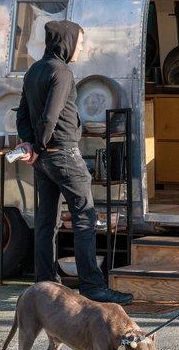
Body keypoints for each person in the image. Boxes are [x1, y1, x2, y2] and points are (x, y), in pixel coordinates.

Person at [15, 20, 132, 305]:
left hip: (44, 159)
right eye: (79, 41)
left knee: (46, 221)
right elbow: (51, 116)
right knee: (84, 219)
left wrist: (31, 146)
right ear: (66, 42)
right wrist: (39, 146)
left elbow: (21, 114)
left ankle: (45, 283)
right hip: (64, 154)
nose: (81, 46)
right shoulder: (62, 72)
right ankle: (92, 286)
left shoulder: (34, 71)